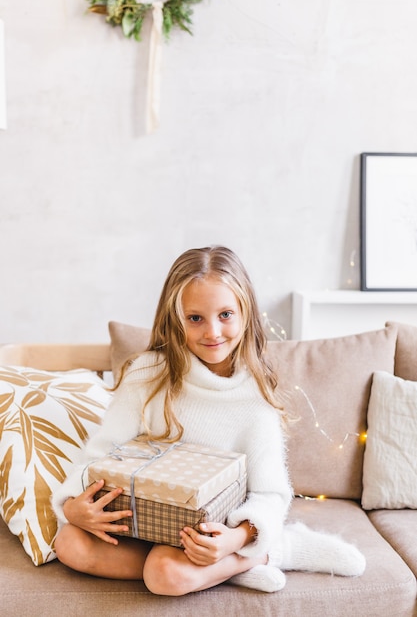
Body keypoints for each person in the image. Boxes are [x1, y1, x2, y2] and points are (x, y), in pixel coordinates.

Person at [52, 245, 366, 595]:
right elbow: (101, 453)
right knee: (68, 542)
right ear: (175, 319)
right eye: (195, 318)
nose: (213, 332)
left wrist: (236, 539)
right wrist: (73, 506)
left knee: (164, 575)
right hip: (143, 524)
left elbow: (271, 493)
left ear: (246, 313)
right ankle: (232, 570)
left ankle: (273, 550)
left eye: (226, 315)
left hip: (210, 535)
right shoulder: (146, 376)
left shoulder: (253, 398)